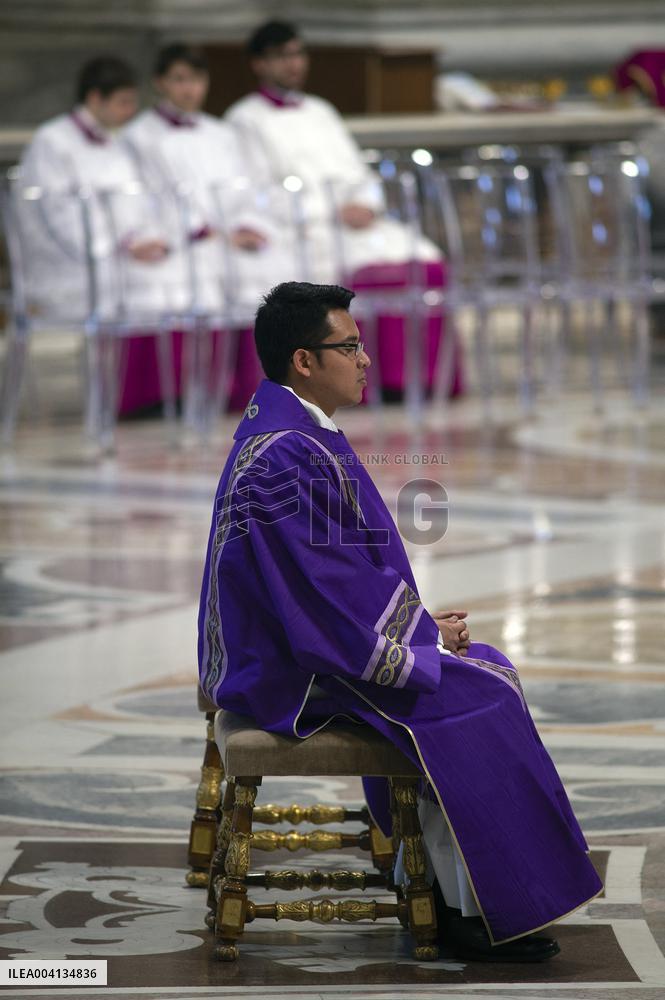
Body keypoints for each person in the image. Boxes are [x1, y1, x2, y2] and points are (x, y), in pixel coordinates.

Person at [198, 281, 602, 962]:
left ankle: (453, 887)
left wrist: (419, 630)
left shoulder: (293, 429)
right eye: (349, 346)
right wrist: (419, 640)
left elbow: (339, 576)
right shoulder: (286, 453)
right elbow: (319, 597)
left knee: (484, 669)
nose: (364, 359)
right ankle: (465, 910)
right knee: (476, 700)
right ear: (304, 360)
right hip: (286, 672)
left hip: (302, 647)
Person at [225, 21, 463, 401]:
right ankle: (366, 385)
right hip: (309, 229)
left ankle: (422, 380)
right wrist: (333, 211)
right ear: (259, 64)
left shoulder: (322, 110)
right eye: (282, 56)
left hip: (357, 224)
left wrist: (366, 204)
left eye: (298, 54)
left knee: (427, 260)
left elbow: (358, 173)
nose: (294, 64)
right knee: (358, 278)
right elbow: (258, 189)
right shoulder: (244, 119)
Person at [123, 43, 303, 411]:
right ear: (160, 83)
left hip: (230, 236)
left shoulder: (221, 134)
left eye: (197, 79)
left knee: (278, 270)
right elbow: (146, 197)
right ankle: (183, 396)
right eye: (179, 80)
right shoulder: (139, 137)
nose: (189, 89)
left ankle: (257, 392)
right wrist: (201, 231)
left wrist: (249, 225)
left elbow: (249, 188)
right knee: (196, 279)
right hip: (182, 240)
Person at [18, 56, 174, 415]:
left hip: (115, 256)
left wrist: (142, 239)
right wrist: (118, 245)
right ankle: (122, 402)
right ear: (94, 98)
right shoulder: (52, 142)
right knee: (144, 285)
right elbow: (57, 216)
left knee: (168, 276)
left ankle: (149, 397)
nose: (131, 111)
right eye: (123, 102)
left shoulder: (116, 143)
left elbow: (138, 203)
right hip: (65, 266)